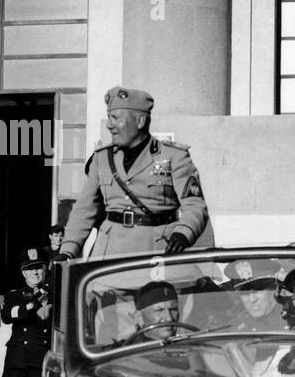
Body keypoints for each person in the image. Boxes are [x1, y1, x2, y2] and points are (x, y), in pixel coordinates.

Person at [59, 86, 211, 260]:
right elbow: (84, 210)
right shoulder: (101, 159)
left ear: (140, 121)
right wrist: (67, 251)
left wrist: (184, 233)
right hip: (108, 252)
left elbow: (195, 205)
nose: (109, 125)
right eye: (109, 118)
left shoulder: (174, 156)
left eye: (115, 118)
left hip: (157, 250)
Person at [1, 248, 52, 377]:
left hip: (42, 362)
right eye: (30, 269)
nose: (35, 273)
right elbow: (6, 316)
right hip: (16, 362)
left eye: (39, 267)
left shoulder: (56, 296)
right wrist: (32, 305)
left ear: (46, 269)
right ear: (23, 273)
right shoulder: (13, 295)